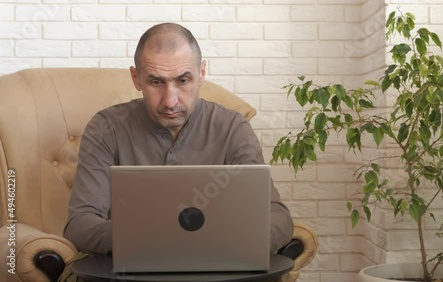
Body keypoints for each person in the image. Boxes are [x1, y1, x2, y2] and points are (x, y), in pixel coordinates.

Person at [63, 23, 294, 256]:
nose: (170, 101)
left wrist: (225, 242)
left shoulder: (232, 129)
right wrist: (156, 238)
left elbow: (277, 217)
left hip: (217, 267)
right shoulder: (106, 129)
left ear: (201, 73)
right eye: (156, 82)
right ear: (136, 78)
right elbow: (80, 224)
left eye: (183, 81)